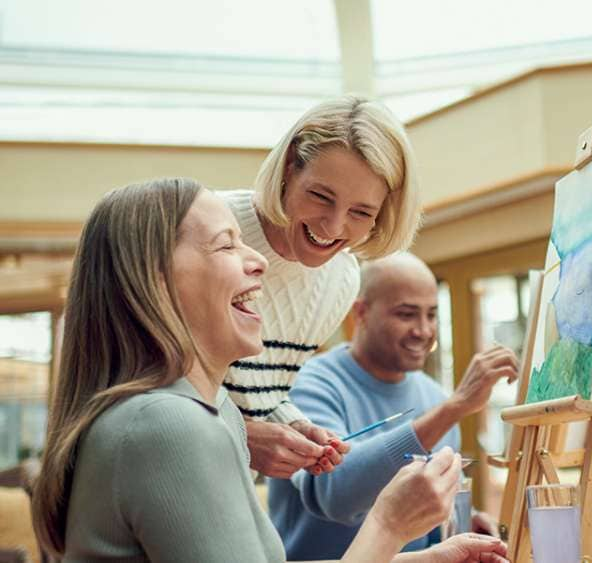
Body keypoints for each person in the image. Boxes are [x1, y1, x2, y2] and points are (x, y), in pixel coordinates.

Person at [31, 179, 508, 562]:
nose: (259, 260)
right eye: (226, 246)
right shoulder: (166, 426)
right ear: (155, 281)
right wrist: (388, 526)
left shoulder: (210, 410)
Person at [217, 96, 422, 478]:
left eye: (361, 213)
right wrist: (242, 437)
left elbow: (258, 395)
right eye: (320, 196)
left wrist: (294, 424)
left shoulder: (341, 278)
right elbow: (143, 394)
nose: (332, 227)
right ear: (291, 165)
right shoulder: (208, 229)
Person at [269, 252, 519, 560]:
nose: (424, 330)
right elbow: (336, 495)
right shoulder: (307, 384)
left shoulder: (434, 397)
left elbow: (419, 510)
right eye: (406, 314)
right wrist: (453, 408)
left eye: (431, 314)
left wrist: (459, 518)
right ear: (360, 313)